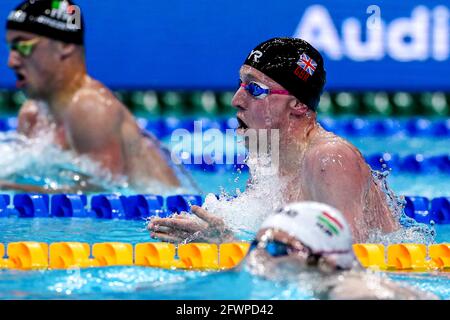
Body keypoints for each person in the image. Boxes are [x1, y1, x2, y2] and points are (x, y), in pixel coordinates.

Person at [148, 37, 399, 243]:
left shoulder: (330, 159)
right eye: (241, 84)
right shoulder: (270, 160)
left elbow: (350, 268)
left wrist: (228, 244)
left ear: (298, 104)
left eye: (255, 89)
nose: (236, 99)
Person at [1, 0, 180, 192]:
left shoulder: (90, 106)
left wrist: (10, 188)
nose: (11, 61)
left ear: (64, 45)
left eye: (23, 45)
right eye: (11, 47)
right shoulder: (33, 114)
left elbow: (103, 193)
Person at [244, 201, 437, 300]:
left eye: (275, 247)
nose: (258, 255)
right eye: (256, 244)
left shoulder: (355, 293)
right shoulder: (324, 287)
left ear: (324, 259)